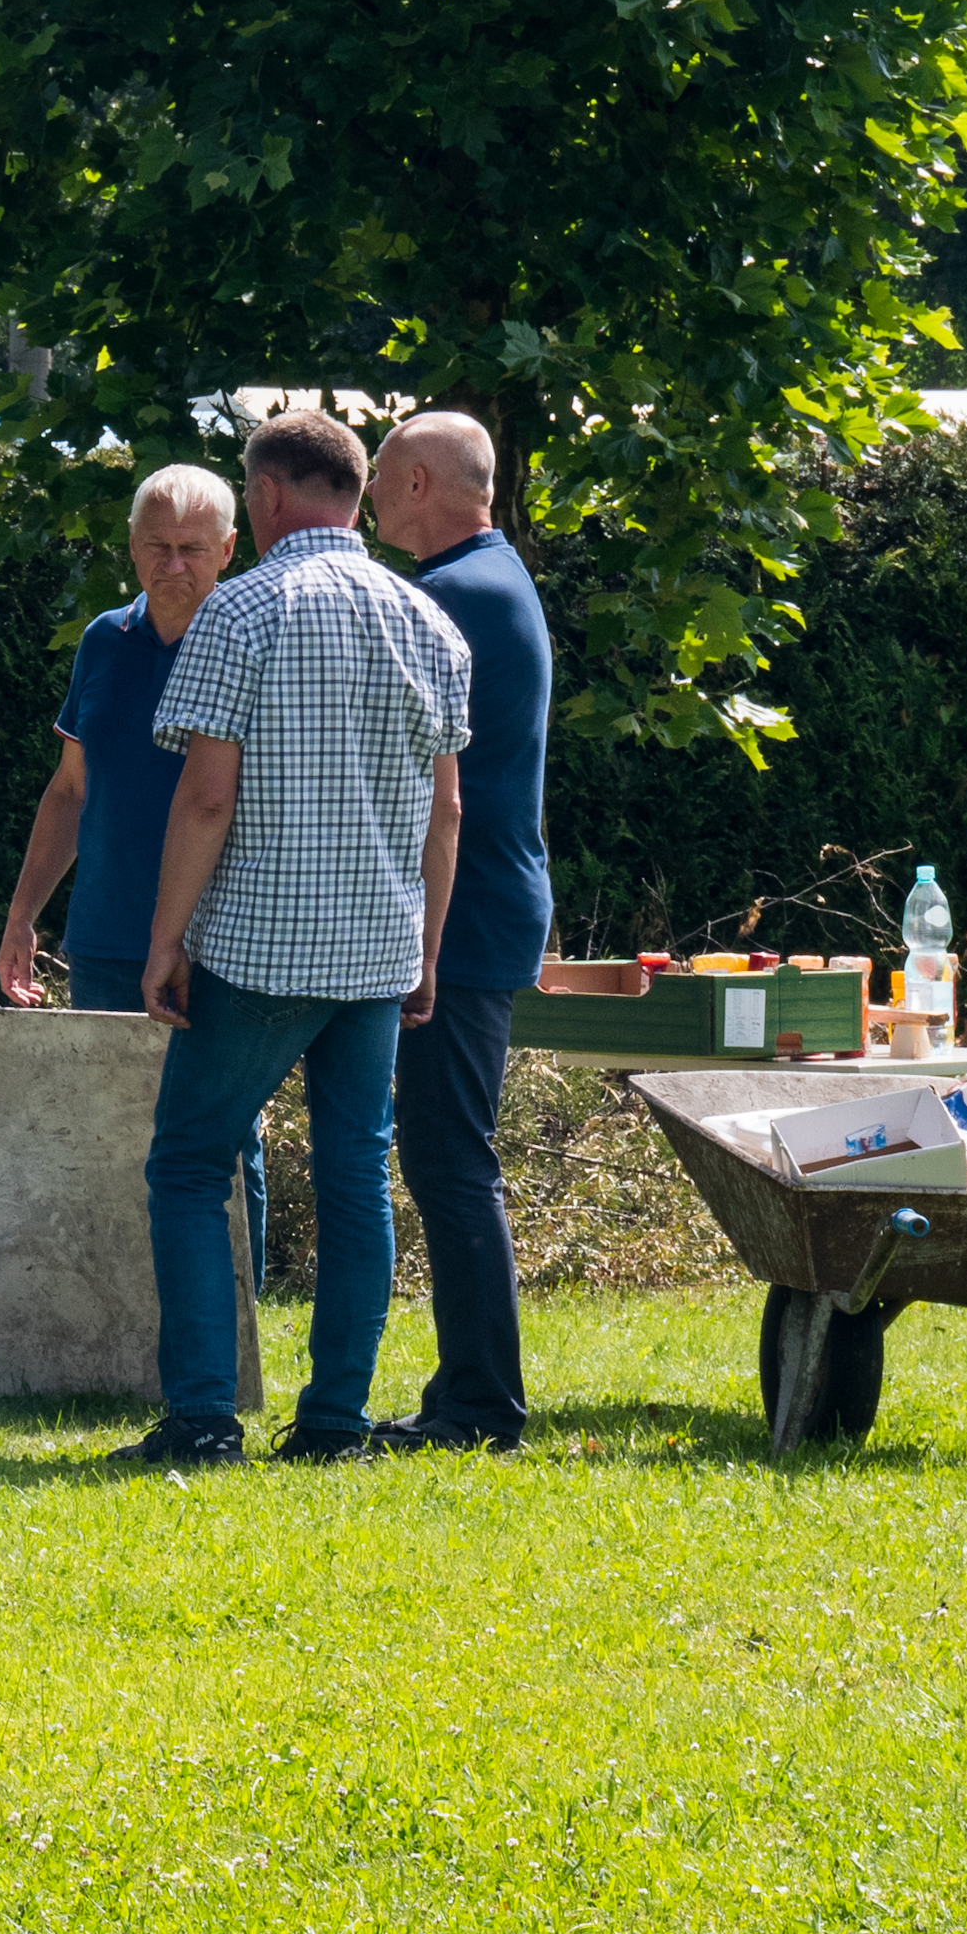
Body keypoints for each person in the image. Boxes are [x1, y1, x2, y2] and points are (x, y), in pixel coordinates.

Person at [118, 407, 471, 1467]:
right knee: (357, 1177)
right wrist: (429, 951)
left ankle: (202, 1420)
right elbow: (447, 812)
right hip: (375, 953)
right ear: (357, 493)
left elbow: (207, 801)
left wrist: (164, 941)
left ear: (265, 497)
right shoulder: (430, 624)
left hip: (261, 952)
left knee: (187, 1164)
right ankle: (333, 1425)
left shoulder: (241, 611)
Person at [0, 466, 273, 1281]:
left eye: (194, 548)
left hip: (220, 938)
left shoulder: (252, 644)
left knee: (224, 1134)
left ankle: (237, 1326)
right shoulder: (102, 641)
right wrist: (23, 919)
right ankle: (128, 1308)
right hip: (107, 937)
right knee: (116, 1128)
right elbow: (70, 791)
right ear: (131, 546)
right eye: (158, 545)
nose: (174, 564)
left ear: (229, 548)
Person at [367, 411, 553, 1452]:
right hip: (483, 903)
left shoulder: (448, 598)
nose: (371, 499)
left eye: (384, 478)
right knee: (446, 1153)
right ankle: (466, 1391)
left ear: (424, 481)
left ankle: (482, 1404)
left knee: (449, 1158)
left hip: (461, 912)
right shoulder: (495, 579)